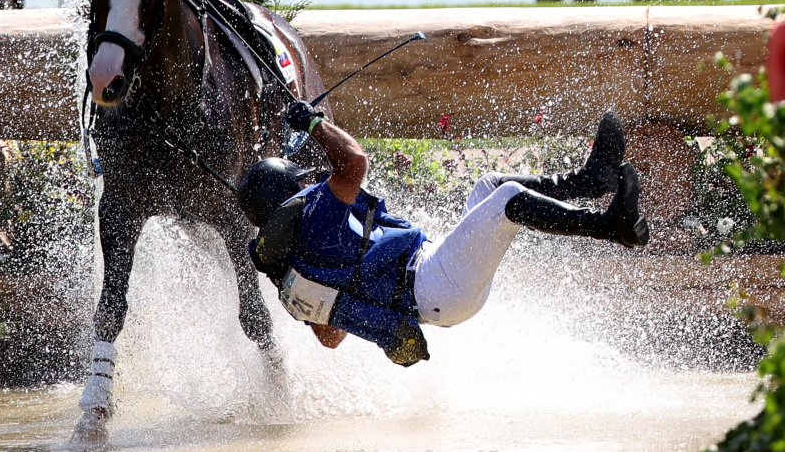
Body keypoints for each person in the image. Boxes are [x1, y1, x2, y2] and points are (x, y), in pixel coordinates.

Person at [232, 105, 648, 367]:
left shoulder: (291, 266)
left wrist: (361, 288)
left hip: (436, 291)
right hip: (435, 283)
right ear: (288, 193)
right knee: (507, 199)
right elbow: (354, 162)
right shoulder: (315, 217)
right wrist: (315, 124)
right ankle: (610, 226)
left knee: (488, 185)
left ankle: (588, 182)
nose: (311, 181)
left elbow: (331, 336)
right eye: (300, 179)